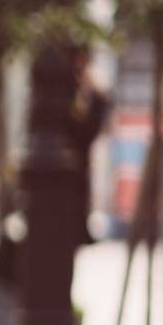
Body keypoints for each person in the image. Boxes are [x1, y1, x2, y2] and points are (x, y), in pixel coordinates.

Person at [67, 46, 110, 247]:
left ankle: (80, 229)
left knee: (81, 189)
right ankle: (75, 229)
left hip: (80, 151)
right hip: (69, 152)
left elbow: (93, 122)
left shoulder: (90, 88)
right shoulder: (70, 85)